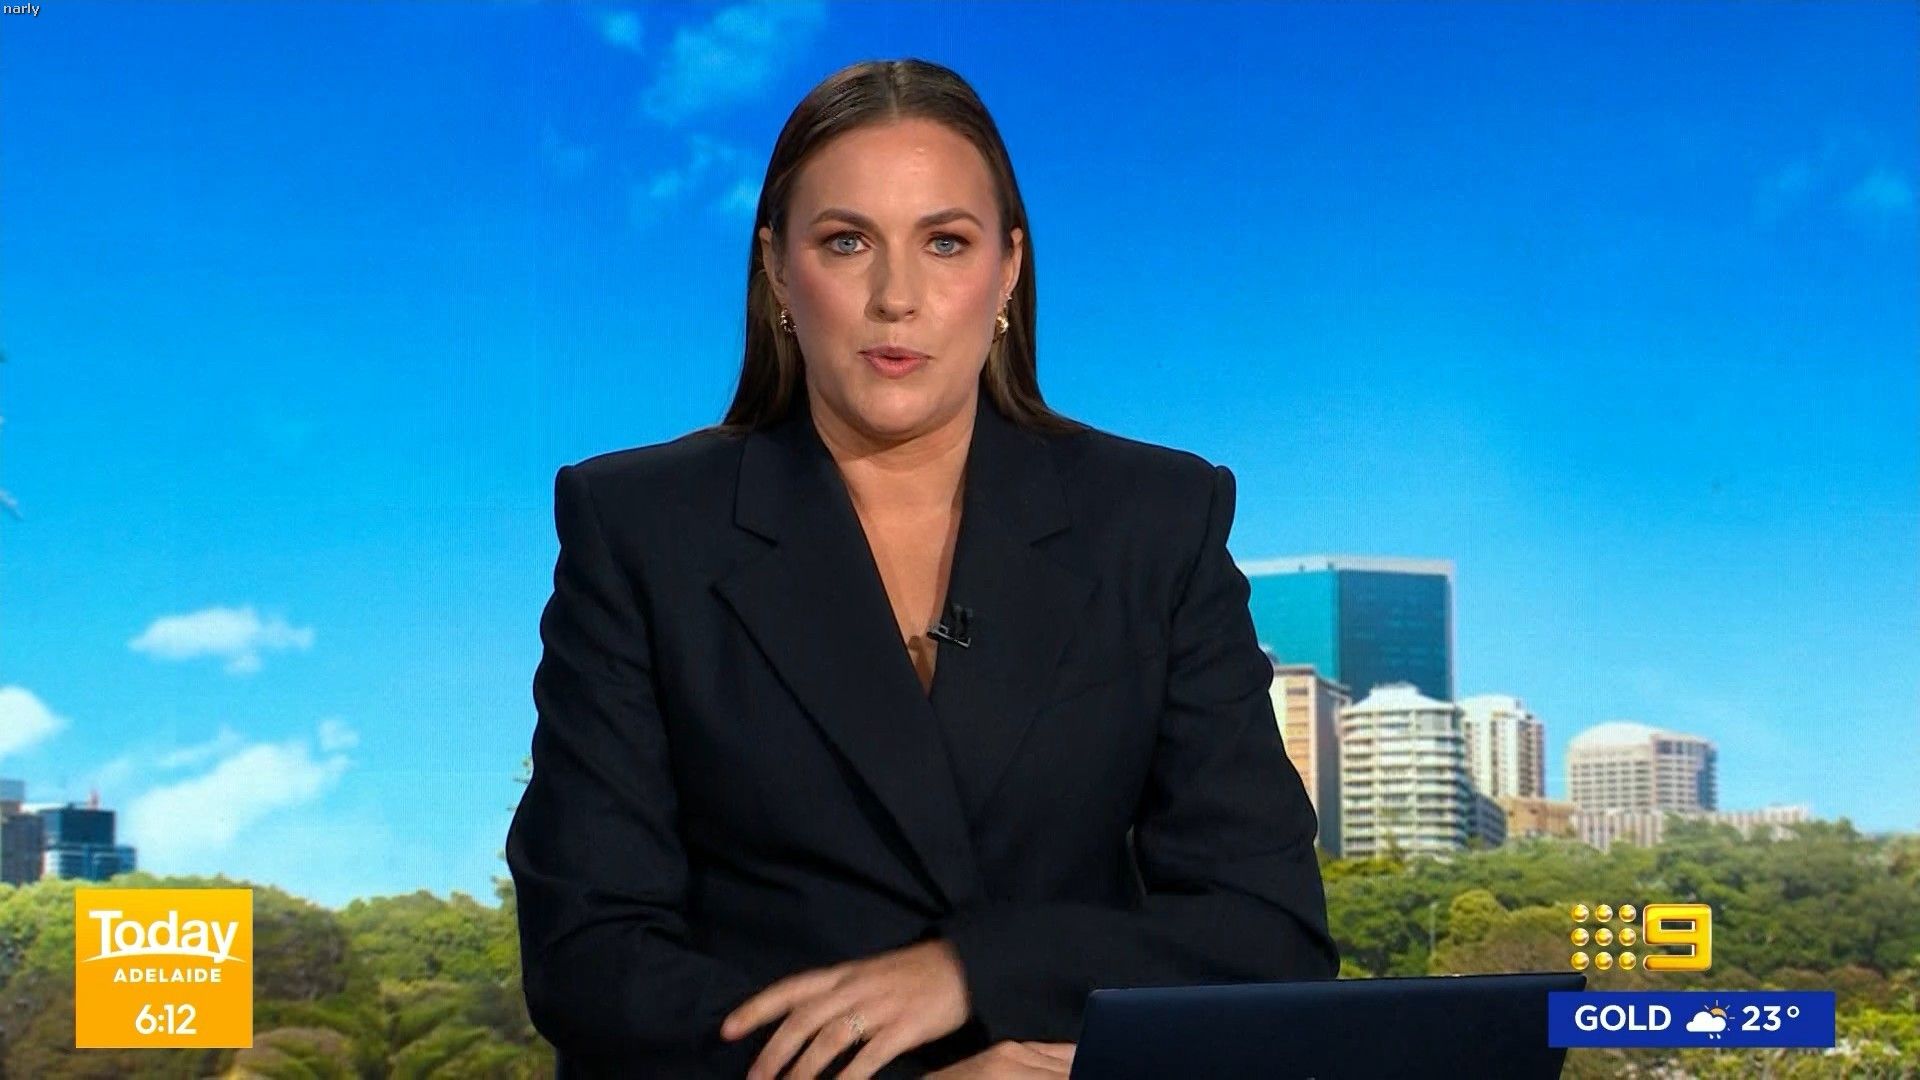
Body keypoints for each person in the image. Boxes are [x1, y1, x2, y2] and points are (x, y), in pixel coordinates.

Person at [505, 57, 1339, 1080]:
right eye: (845, 242)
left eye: (945, 242)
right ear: (777, 270)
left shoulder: (1154, 520)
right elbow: (592, 958)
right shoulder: (639, 526)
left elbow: (1266, 934)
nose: (895, 298)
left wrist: (972, 973)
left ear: (1008, 268)